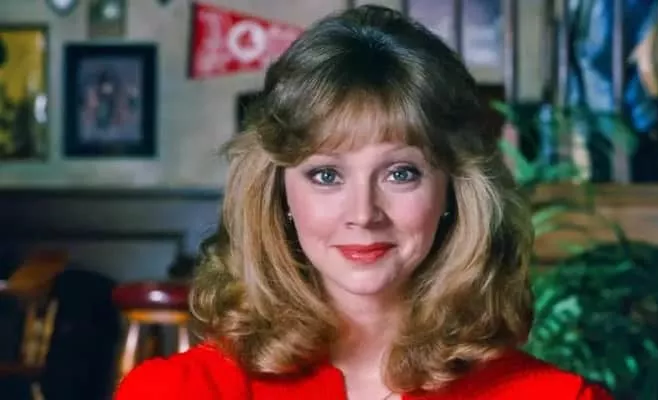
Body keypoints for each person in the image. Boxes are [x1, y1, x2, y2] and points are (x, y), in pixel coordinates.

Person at [115, 5, 612, 400]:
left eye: (400, 173)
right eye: (326, 175)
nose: (363, 213)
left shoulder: (558, 397)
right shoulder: (176, 392)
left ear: (453, 190)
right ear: (278, 193)